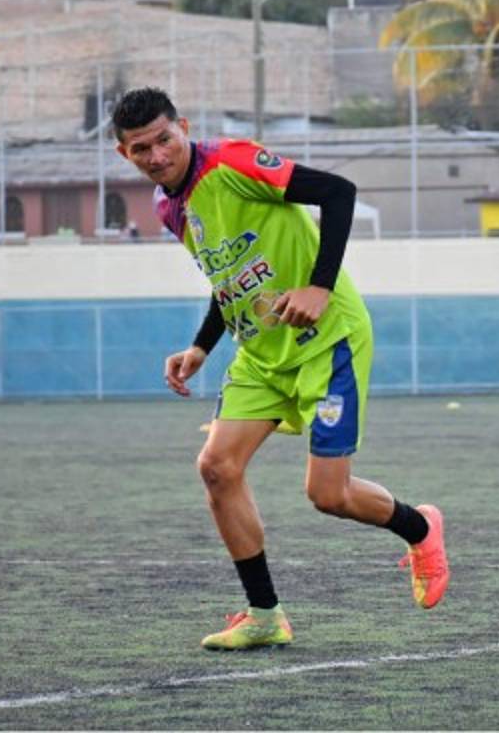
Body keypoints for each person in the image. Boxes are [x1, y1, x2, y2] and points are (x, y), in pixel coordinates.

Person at [111, 87, 449, 649]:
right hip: (261, 354)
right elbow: (229, 280)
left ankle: (421, 528)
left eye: (164, 139)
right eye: (141, 148)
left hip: (327, 339)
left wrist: (319, 285)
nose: (157, 155)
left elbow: (338, 192)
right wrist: (201, 347)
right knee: (217, 467)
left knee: (328, 496)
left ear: (183, 128)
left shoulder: (232, 162)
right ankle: (265, 615)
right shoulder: (170, 207)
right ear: (126, 155)